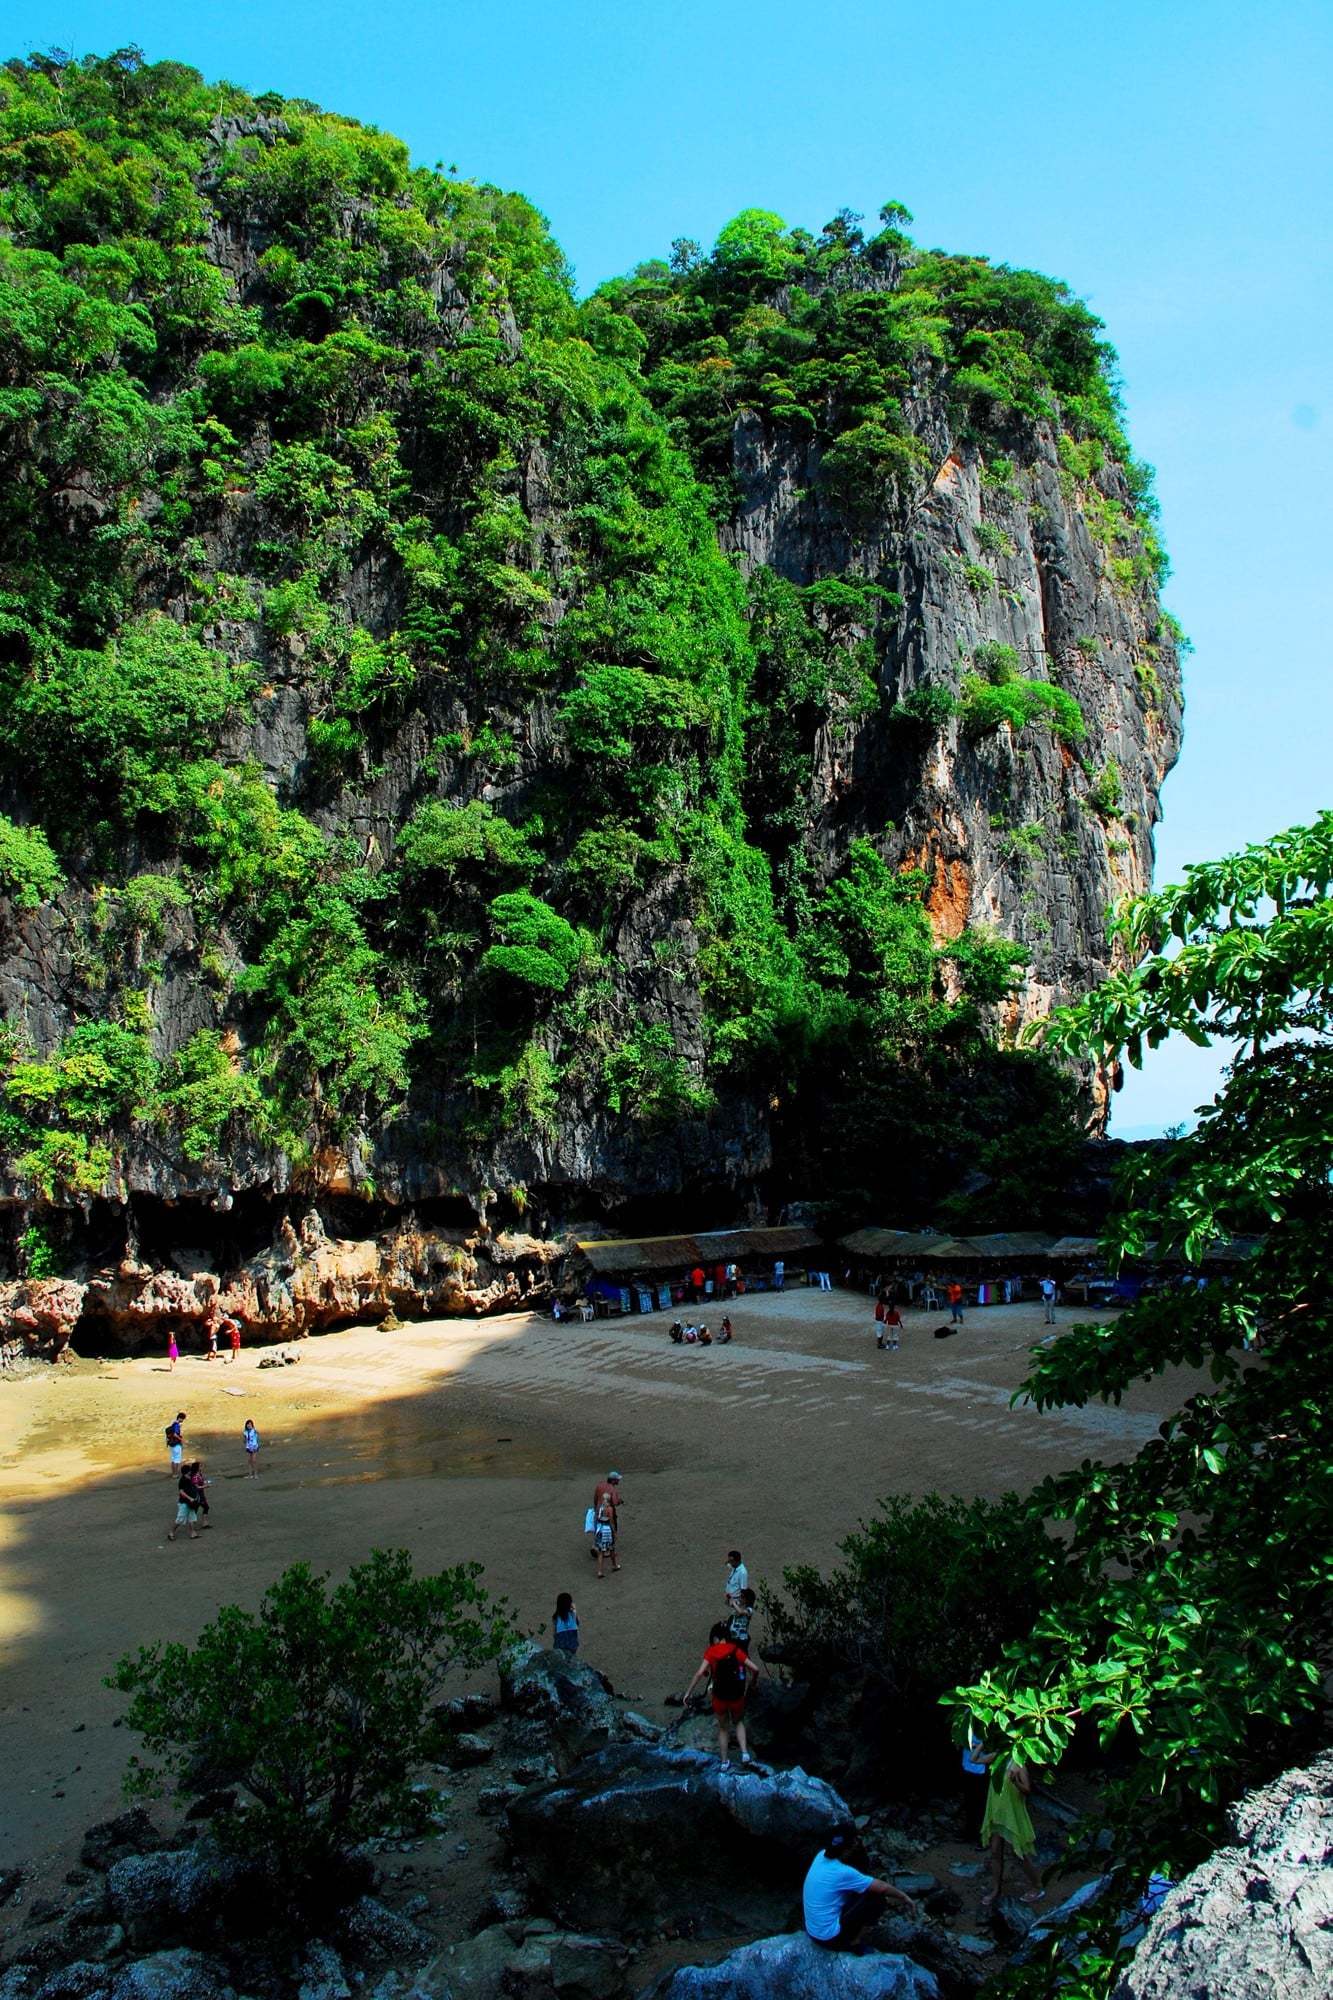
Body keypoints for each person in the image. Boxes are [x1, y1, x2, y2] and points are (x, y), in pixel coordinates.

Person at [802, 1827, 917, 1948]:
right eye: (853, 1844)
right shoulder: (842, 1872)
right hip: (829, 1938)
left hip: (813, 1930)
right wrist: (904, 1897)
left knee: (859, 1889)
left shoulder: (820, 1856)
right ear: (846, 1850)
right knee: (876, 1898)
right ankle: (855, 1941)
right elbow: (882, 1888)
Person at [681, 1620, 759, 1763]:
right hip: (737, 1695)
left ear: (715, 1638)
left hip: (719, 1696)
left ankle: (724, 1762)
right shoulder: (736, 1650)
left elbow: (699, 1673)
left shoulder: (711, 1652)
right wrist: (753, 1682)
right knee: (739, 1721)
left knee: (723, 1728)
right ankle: (745, 1754)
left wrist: (688, 1693)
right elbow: (755, 1669)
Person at [980, 1754, 1044, 1915]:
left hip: (1011, 1815)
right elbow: (974, 1759)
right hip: (997, 1813)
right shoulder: (997, 1759)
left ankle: (1037, 1886)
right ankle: (996, 1889)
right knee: (995, 1851)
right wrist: (980, 1743)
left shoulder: (1019, 1763)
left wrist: (1015, 1781)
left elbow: (1027, 1789)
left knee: (1019, 1853)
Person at [960, 1724, 990, 1846]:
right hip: (967, 1764)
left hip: (981, 1767)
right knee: (969, 1802)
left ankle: (983, 1838)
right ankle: (969, 1833)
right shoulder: (967, 1713)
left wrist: (975, 1745)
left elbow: (991, 1744)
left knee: (981, 1804)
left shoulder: (987, 1719)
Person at [167, 1464, 201, 1543]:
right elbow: (181, 1492)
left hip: (192, 1503)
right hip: (184, 1503)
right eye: (188, 1474)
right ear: (184, 1474)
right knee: (180, 1519)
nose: (190, 1475)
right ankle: (171, 1532)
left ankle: (193, 1533)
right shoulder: (182, 1480)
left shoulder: (190, 1477)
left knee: (192, 1517)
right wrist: (190, 1498)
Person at [592, 1494, 620, 1577]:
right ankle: (614, 1565)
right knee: (611, 1548)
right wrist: (614, 1532)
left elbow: (596, 1518)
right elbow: (611, 1521)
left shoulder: (600, 1508)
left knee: (601, 1552)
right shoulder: (609, 1509)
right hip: (607, 1530)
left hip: (600, 1529)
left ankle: (600, 1571)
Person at [165, 1412, 185, 1477]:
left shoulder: (173, 1424)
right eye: (182, 1419)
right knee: (177, 1459)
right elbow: (175, 1434)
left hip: (172, 1444)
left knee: (173, 1459)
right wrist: (181, 1439)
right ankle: (175, 1474)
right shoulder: (177, 1425)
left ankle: (173, 1473)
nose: (182, 1421)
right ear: (180, 1418)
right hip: (176, 1444)